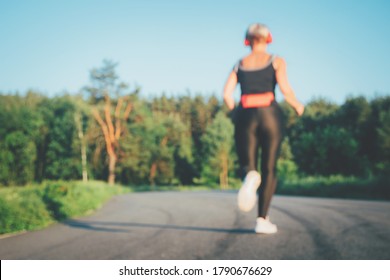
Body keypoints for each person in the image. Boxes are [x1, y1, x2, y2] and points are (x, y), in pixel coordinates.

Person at [223, 23, 304, 234]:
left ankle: (250, 175)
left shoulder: (239, 64)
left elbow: (226, 94)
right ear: (268, 39)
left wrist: (235, 111)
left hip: (246, 113)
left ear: (247, 41)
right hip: (270, 113)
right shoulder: (276, 61)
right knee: (269, 168)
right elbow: (285, 88)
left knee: (249, 166)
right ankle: (262, 220)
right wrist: (297, 105)